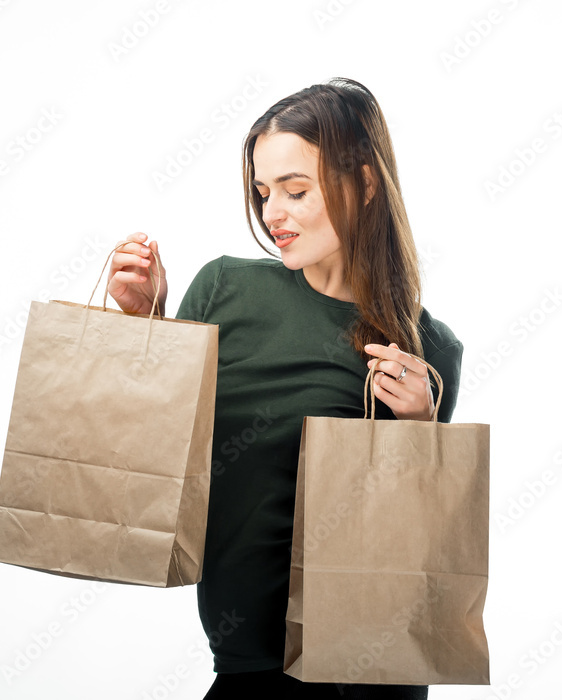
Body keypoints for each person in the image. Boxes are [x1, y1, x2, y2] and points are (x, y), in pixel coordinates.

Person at [107, 77, 463, 700]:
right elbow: (154, 465)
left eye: (296, 191)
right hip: (248, 672)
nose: (272, 214)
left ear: (366, 182)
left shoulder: (428, 351)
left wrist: (419, 432)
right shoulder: (224, 291)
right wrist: (147, 331)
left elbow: (414, 557)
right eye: (263, 191)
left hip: (369, 679)